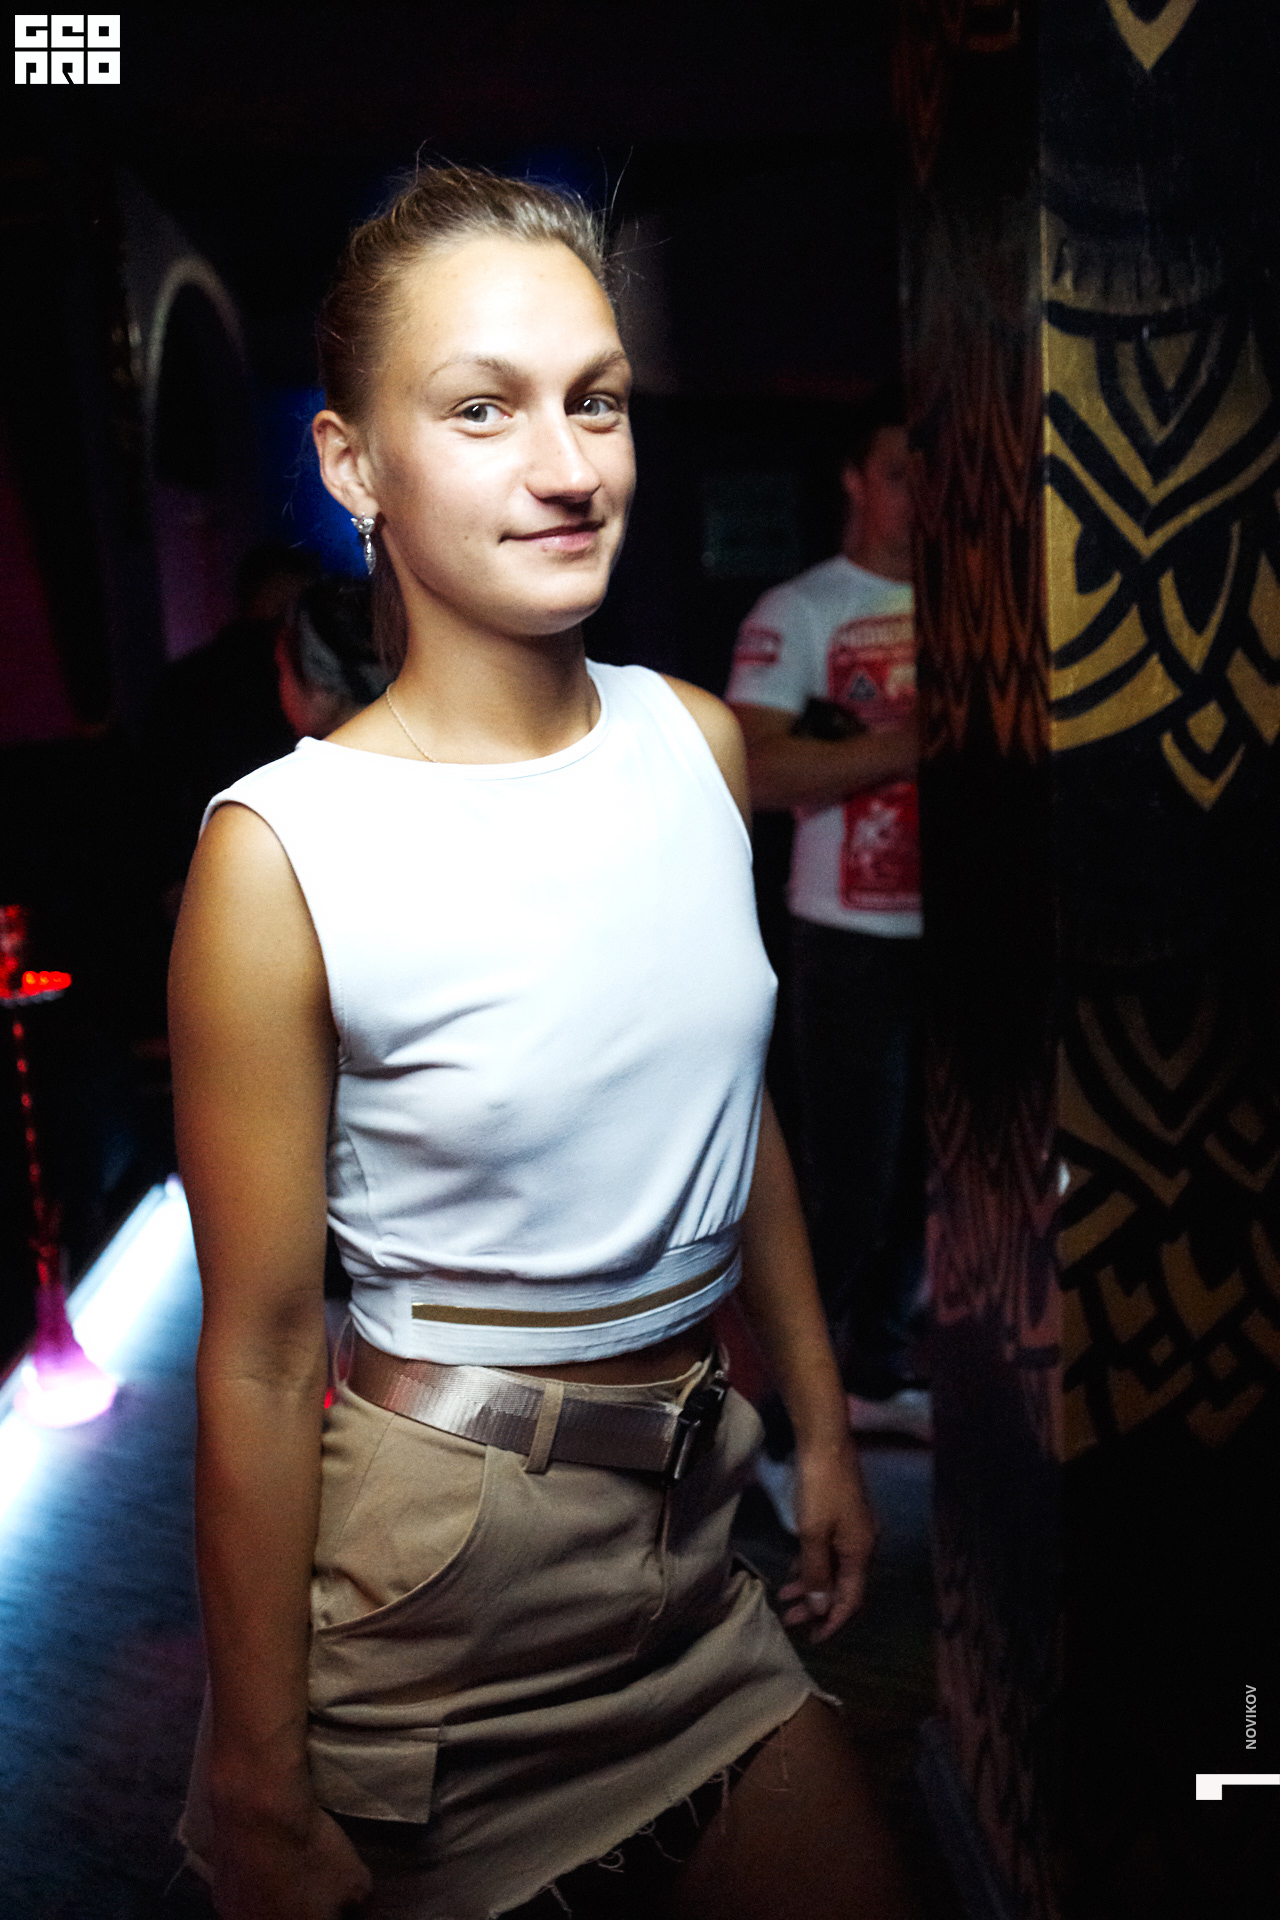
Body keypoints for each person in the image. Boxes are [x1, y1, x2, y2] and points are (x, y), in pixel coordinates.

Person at [169, 167, 921, 1920]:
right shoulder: (283, 854)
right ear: (354, 464)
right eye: (482, 409)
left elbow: (734, 1121)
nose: (570, 466)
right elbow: (262, 1355)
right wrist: (260, 1781)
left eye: (595, 400)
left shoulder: (694, 744)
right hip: (438, 1602)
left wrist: (818, 1422)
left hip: (695, 1545)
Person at [726, 397, 930, 1532]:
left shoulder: (980, 594)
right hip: (847, 934)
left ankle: (877, 1370)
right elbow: (757, 772)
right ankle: (763, 1424)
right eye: (898, 470)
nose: (918, 492)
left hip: (965, 934)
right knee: (844, 1185)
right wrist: (911, 740)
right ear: (853, 478)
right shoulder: (802, 609)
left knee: (937, 1180)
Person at [274, 576, 389, 741]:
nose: (281, 690)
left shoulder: (312, 758)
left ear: (321, 688)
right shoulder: (417, 743)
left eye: (281, 670)